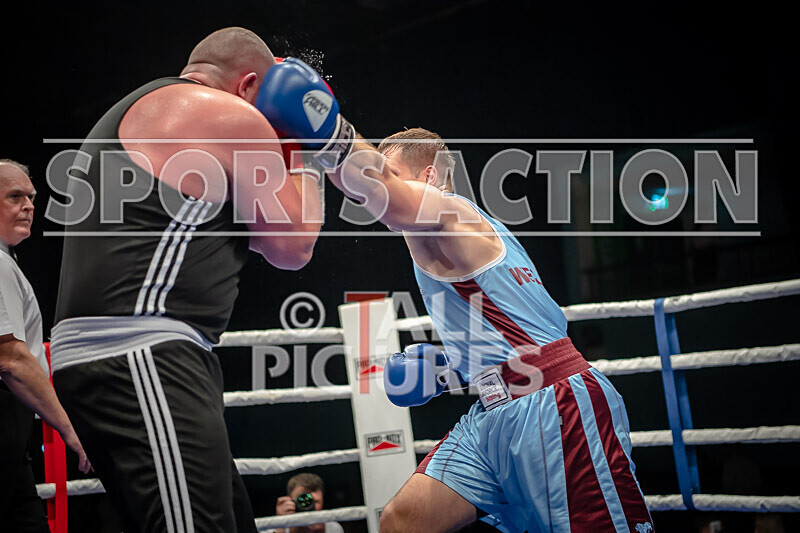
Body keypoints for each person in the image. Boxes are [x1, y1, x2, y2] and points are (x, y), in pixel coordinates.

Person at [255, 59, 654, 532]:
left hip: (555, 403)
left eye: (394, 174)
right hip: (493, 410)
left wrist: (322, 126)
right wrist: (447, 369)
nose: (379, 192)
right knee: (402, 522)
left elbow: (380, 192)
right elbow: (505, 327)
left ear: (429, 178)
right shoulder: (448, 238)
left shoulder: (450, 212)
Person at [50, 29, 322, 532]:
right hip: (139, 352)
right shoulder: (230, 116)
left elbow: (260, 234)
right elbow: (294, 245)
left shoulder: (145, 110)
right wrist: (305, 146)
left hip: (125, 357)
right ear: (248, 86)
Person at [0, 160, 91, 532]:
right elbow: (12, 358)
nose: (29, 206)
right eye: (14, 196)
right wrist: (70, 430)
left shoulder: (7, 260)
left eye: (31, 197)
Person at [270, 473, 344, 533]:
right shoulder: (271, 529)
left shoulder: (333, 528)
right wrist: (280, 527)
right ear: (289, 501)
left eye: (315, 501)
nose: (308, 504)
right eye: (302, 500)